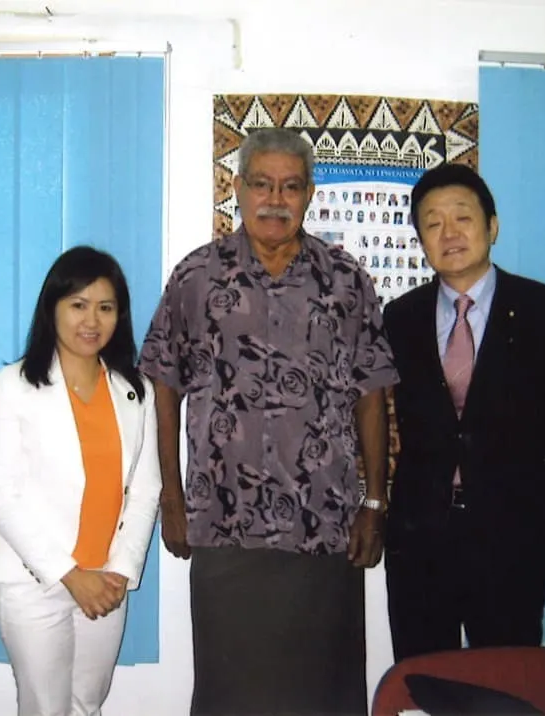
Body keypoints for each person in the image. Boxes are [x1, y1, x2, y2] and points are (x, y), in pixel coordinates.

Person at [139, 127, 398, 716]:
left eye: (290, 186)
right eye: (261, 184)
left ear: (310, 194)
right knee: (232, 694)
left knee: (322, 694)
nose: (275, 199)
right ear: (238, 188)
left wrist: (374, 503)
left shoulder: (345, 279)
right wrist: (172, 499)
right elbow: (164, 385)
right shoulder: (196, 276)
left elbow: (372, 391)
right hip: (223, 522)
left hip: (323, 523)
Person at [383, 163, 545, 662]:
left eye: (463, 217)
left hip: (511, 544)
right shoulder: (400, 317)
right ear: (421, 240)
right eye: (433, 223)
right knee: (424, 681)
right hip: (419, 545)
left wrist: (522, 510)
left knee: (507, 684)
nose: (449, 233)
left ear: (492, 226)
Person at [0, 246, 160, 716]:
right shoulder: (14, 385)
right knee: (46, 709)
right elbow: (2, 498)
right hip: (34, 582)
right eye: (78, 305)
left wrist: (120, 569)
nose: (91, 320)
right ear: (53, 308)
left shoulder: (135, 390)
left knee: (86, 705)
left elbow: (146, 491)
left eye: (105, 307)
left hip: (107, 580)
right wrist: (70, 575)